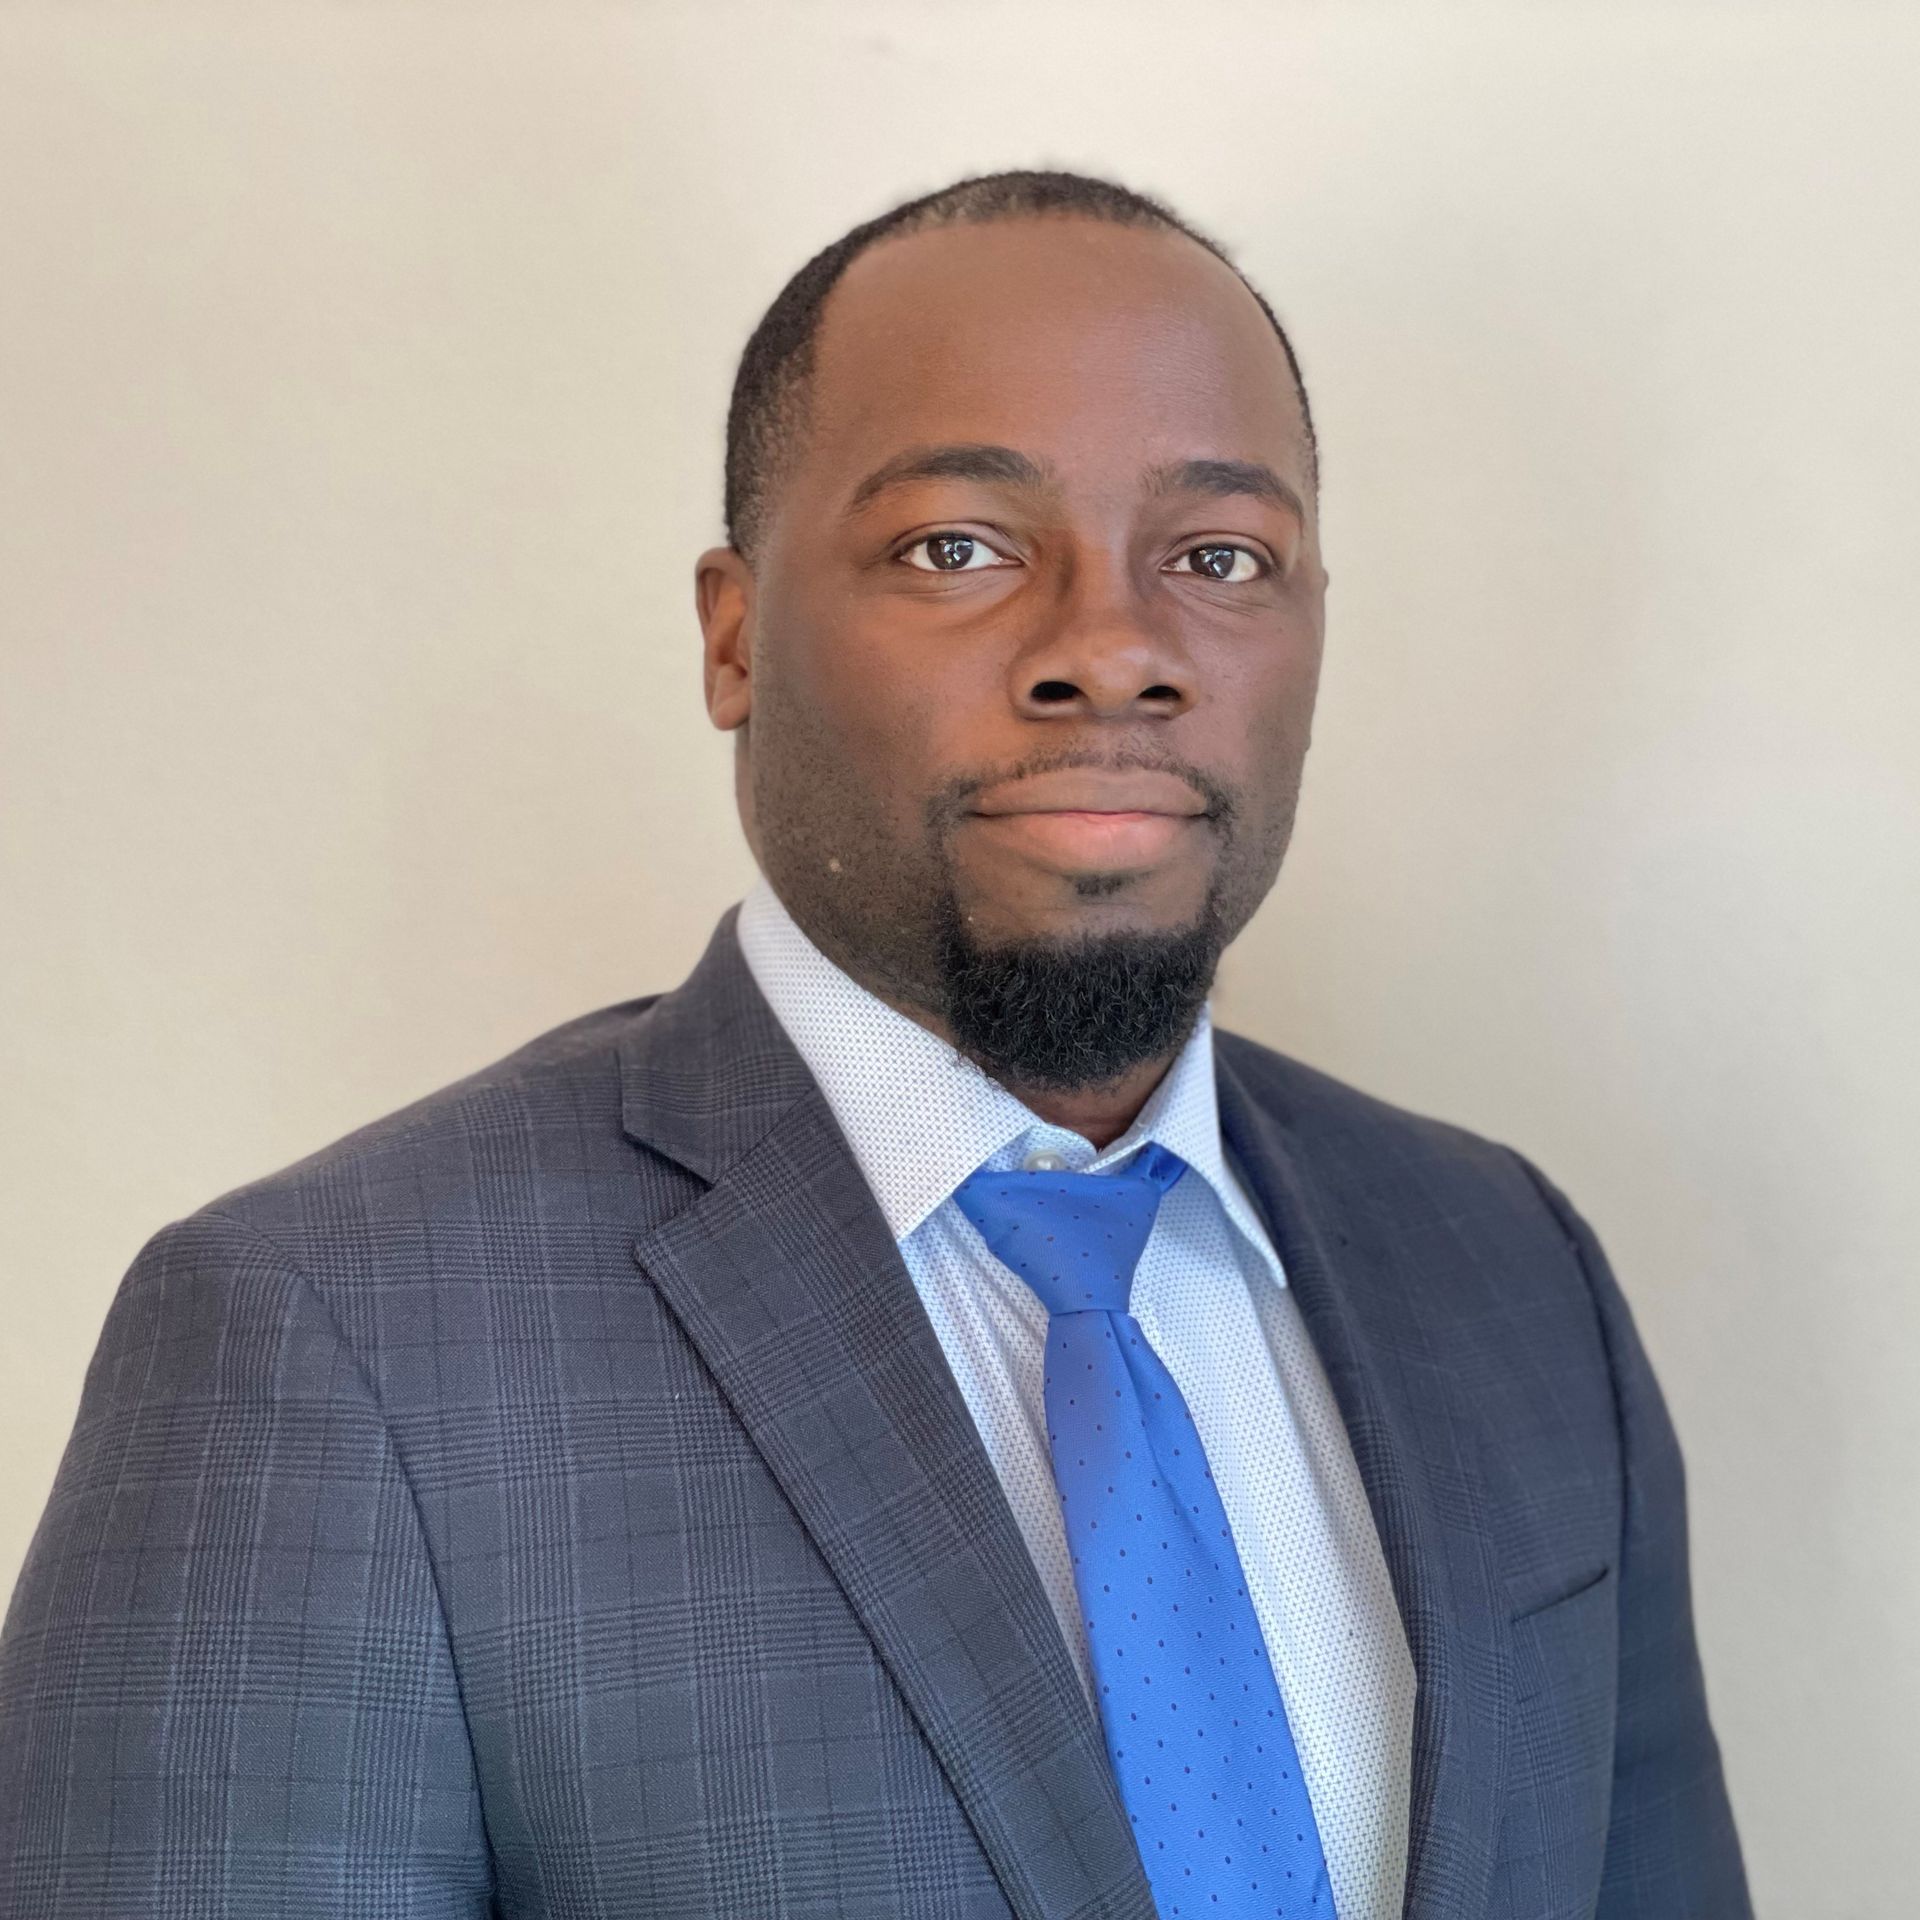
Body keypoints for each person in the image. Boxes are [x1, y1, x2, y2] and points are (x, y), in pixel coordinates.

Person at [0, 169, 1749, 1919]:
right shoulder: (328, 1346)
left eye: (1219, 557)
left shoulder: (1515, 1276)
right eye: (959, 548)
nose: (1115, 649)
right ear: (736, 635)